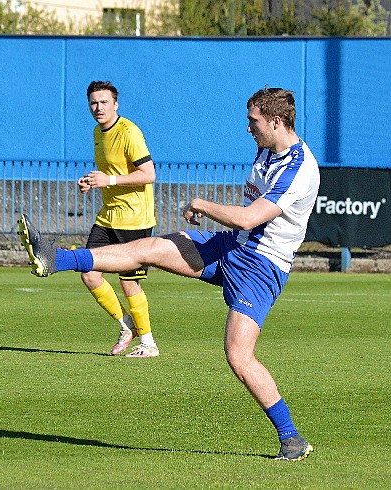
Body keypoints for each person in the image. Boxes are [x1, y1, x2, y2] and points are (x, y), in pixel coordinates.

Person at [18, 87, 317, 461]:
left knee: (239, 357)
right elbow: (242, 222)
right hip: (233, 246)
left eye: (253, 121)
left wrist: (201, 204)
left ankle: (291, 439)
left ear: (275, 121)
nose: (248, 128)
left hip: (262, 266)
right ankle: (55, 258)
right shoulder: (268, 149)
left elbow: (249, 217)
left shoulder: (300, 167)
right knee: (152, 248)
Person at [75, 80, 159, 358]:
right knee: (89, 272)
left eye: (103, 102)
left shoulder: (129, 132)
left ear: (115, 104)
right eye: (93, 103)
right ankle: (127, 326)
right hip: (108, 217)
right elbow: (111, 173)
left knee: (128, 282)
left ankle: (148, 343)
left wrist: (108, 179)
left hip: (134, 219)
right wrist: (92, 182)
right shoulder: (97, 133)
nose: (98, 108)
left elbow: (148, 174)